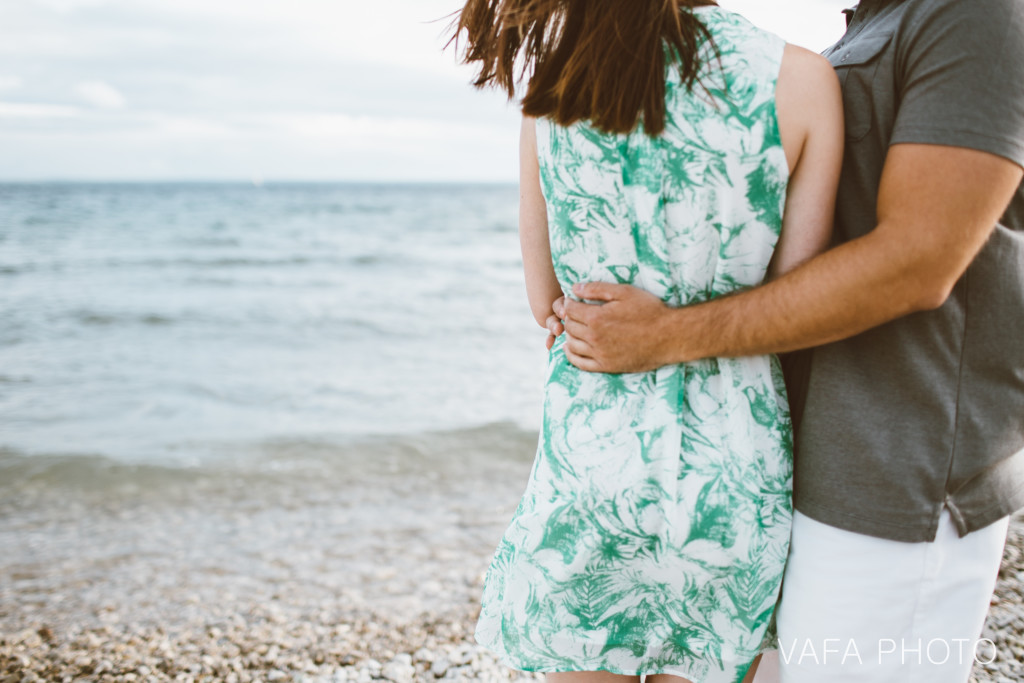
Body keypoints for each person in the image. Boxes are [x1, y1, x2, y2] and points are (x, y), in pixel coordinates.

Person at [544, 1, 1024, 681]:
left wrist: (665, 335)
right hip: (791, 470)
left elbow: (918, 260)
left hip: (896, 485)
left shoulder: (977, 13)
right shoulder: (868, 24)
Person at [448, 1, 844, 681]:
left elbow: (547, 303)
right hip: (731, 477)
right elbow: (793, 305)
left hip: (595, 467)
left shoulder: (560, 77)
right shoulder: (803, 80)